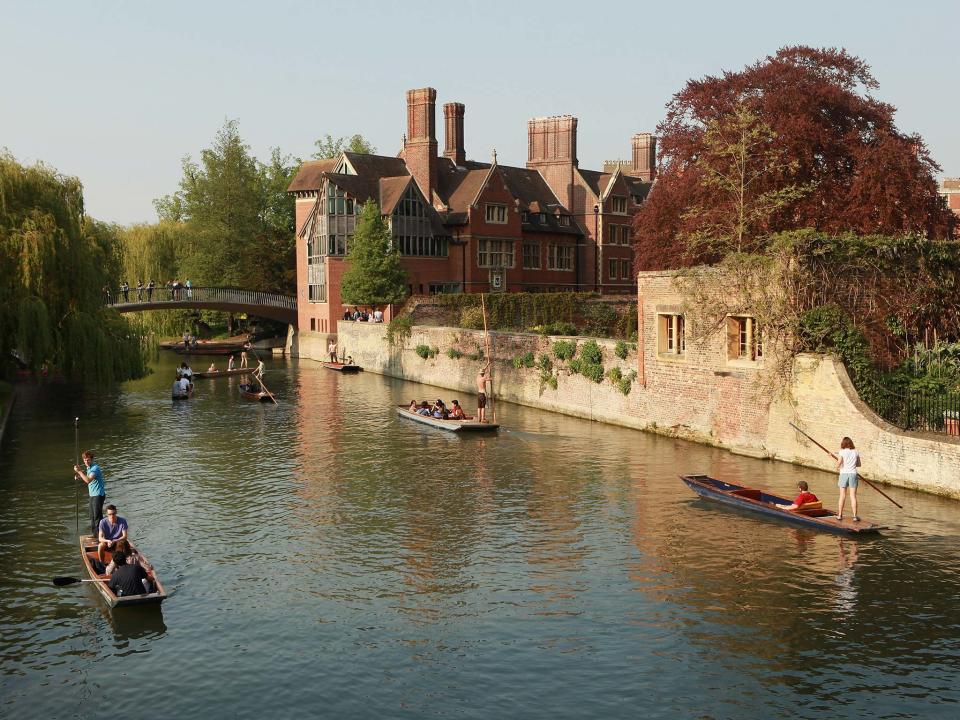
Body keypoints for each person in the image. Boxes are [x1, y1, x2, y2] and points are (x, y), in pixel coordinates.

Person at [73, 450, 106, 536]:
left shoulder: (95, 468)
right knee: (92, 516)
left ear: (92, 459)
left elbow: (88, 480)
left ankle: (101, 536)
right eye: (84, 460)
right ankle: (95, 535)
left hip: (98, 495)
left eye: (88, 460)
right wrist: (79, 476)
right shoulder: (89, 468)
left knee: (97, 517)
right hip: (92, 495)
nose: (86, 462)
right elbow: (87, 477)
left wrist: (79, 471)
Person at [836, 436, 862, 521]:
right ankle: (854, 516)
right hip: (853, 474)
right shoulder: (856, 452)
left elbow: (839, 463)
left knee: (842, 495)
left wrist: (837, 466)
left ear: (843, 443)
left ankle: (839, 515)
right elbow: (858, 464)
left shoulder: (841, 452)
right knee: (853, 496)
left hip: (843, 474)